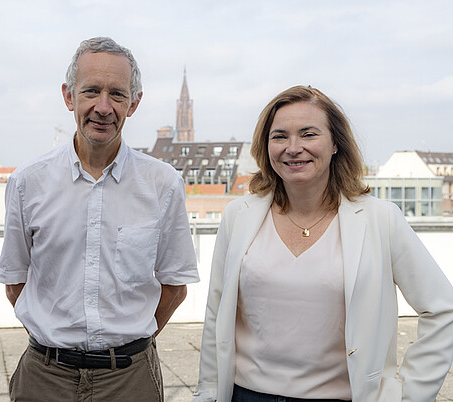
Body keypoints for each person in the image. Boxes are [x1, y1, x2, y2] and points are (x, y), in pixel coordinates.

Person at [192, 86, 453, 402]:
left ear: (334, 144)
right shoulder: (239, 215)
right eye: (279, 136)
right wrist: (206, 394)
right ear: (265, 146)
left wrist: (410, 394)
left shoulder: (380, 220)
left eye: (308, 134)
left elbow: (443, 309)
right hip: (246, 395)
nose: (293, 147)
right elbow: (215, 313)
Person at [0, 36, 200, 401]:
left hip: (129, 381)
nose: (103, 107)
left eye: (117, 95)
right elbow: (15, 283)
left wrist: (129, 343)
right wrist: (57, 337)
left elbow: (174, 286)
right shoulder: (28, 182)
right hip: (45, 379)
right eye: (91, 91)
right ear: (69, 96)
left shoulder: (162, 183)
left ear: (134, 103)